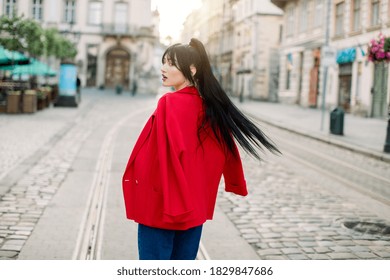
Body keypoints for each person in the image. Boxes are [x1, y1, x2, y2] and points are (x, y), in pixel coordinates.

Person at [122, 38, 280, 260]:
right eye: (164, 62)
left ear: (192, 70)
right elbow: (226, 150)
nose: (163, 68)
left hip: (161, 206)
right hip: (194, 208)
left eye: (170, 63)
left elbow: (154, 156)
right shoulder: (212, 107)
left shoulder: (169, 103)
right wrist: (234, 181)